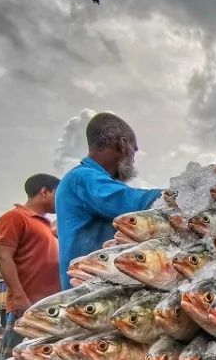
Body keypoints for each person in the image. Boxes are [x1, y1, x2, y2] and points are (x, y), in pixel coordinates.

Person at [55, 112, 162, 289]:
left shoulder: (84, 178)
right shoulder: (83, 177)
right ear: (122, 144)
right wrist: (195, 186)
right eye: (134, 151)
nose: (133, 160)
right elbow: (136, 204)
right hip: (88, 293)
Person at [0, 174, 62, 356]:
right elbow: (3, 258)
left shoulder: (47, 225)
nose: (62, 199)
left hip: (48, 307)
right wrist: (19, 296)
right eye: (59, 193)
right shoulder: (14, 217)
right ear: (44, 192)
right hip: (26, 305)